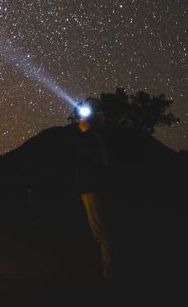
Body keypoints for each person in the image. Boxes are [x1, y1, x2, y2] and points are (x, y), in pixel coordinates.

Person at [75, 110, 116, 280]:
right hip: (92, 188)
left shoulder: (91, 139)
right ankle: (107, 267)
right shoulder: (93, 139)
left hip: (92, 188)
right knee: (100, 229)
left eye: (83, 120)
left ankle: (110, 271)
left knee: (101, 231)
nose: (80, 122)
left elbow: (94, 164)